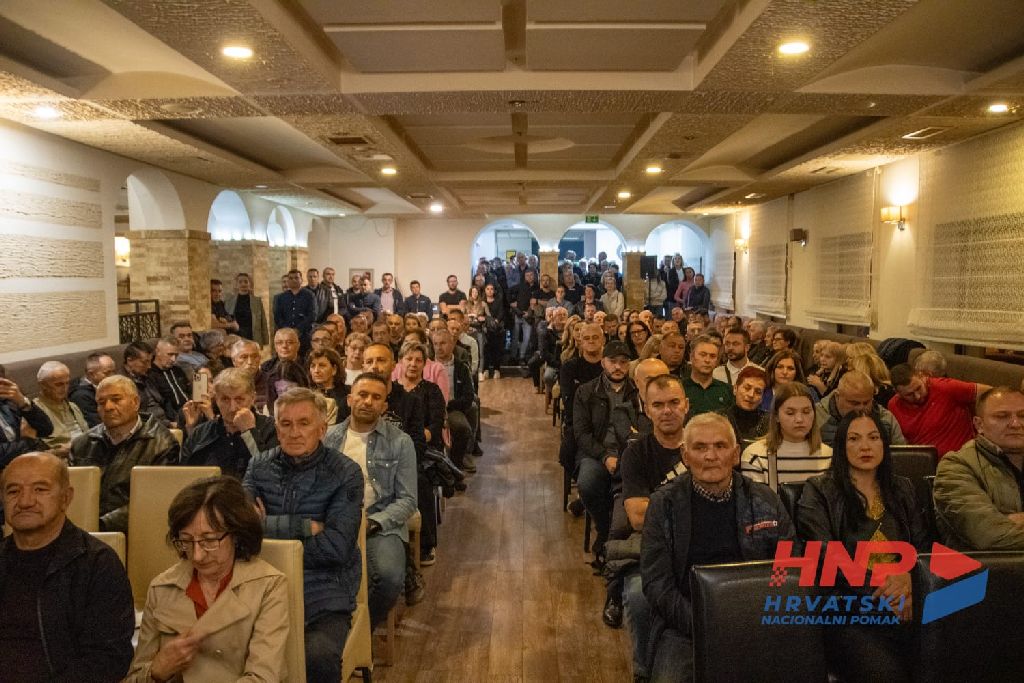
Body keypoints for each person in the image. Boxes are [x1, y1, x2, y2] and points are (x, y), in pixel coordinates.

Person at [642, 413, 795, 682]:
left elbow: (790, 565)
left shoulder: (765, 499)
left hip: (757, 621)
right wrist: (701, 624)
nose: (710, 456)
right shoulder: (663, 504)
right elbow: (657, 583)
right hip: (686, 624)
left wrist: (763, 616)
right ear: (685, 456)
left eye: (720, 446)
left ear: (735, 455)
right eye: (700, 447)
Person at [797, 411, 927, 682]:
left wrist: (911, 581)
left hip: (909, 601)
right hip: (850, 609)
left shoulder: (903, 488)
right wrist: (885, 592)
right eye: (854, 439)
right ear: (841, 447)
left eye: (873, 437)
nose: (865, 446)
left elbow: (923, 548)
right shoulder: (818, 490)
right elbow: (826, 557)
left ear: (884, 444)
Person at [243, 388, 363, 681]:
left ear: (321, 429)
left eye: (304, 423)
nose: (294, 433)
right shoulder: (259, 466)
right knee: (225, 645)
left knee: (317, 656)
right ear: (276, 429)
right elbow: (242, 533)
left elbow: (336, 548)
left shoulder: (345, 473)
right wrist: (304, 527)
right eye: (286, 424)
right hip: (260, 586)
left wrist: (266, 527)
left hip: (324, 589)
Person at [126, 476, 289, 682]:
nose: (197, 556)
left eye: (209, 540)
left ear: (236, 535)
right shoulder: (162, 587)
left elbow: (263, 678)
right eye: (186, 541)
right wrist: (157, 671)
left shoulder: (268, 585)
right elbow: (134, 676)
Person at [0, 452, 135, 680]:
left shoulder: (97, 564)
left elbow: (108, 659)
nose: (25, 501)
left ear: (66, 497)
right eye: (13, 491)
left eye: (40, 489)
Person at [323, 373, 418, 625]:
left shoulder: (400, 442)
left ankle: (361, 632)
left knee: (389, 577)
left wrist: (372, 523)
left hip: (379, 523)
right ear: (350, 399)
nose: (368, 402)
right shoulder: (328, 438)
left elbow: (408, 500)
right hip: (333, 520)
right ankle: (333, 626)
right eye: (362, 395)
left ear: (384, 406)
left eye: (376, 397)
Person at [615, 374, 688, 679]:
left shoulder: (703, 445)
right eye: (658, 405)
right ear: (646, 409)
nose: (667, 411)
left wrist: (658, 507)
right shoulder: (636, 453)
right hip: (656, 550)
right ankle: (644, 669)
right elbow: (637, 517)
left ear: (686, 405)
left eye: (674, 403)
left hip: (701, 548)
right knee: (638, 595)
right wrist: (689, 510)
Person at [70, 375, 180, 532]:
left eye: (116, 399)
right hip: (83, 528)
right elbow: (72, 493)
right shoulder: (82, 444)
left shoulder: (161, 444)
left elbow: (151, 500)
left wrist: (99, 526)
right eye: (101, 402)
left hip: (132, 531)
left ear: (135, 402)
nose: (108, 407)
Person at [573, 340, 642, 560]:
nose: (618, 367)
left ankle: (624, 535)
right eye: (613, 361)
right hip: (597, 452)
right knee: (588, 482)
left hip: (631, 454)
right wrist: (604, 456)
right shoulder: (586, 391)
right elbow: (581, 434)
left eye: (623, 362)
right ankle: (604, 529)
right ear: (603, 362)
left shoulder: (637, 392)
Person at [934, 387, 1024, 550]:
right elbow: (988, 535)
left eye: (1022, 415)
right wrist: (999, 525)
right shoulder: (956, 466)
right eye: (1002, 416)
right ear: (979, 424)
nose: (1016, 424)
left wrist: (1008, 520)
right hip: (988, 566)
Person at [182, 369, 278, 478]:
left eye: (239, 399)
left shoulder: (271, 429)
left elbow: (270, 475)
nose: (232, 408)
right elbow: (183, 476)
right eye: (225, 399)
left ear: (252, 398)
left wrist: (249, 433)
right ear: (216, 400)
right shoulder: (201, 433)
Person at [742, 382, 832, 491]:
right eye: (790, 413)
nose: (799, 419)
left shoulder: (828, 455)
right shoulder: (756, 455)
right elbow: (757, 500)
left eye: (806, 412)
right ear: (776, 416)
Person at [888, 364, 989, 459]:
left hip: (960, 458)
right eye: (909, 395)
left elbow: (990, 393)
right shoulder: (893, 406)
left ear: (922, 377)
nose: (917, 396)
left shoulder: (944, 387)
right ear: (898, 393)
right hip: (922, 462)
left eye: (919, 388)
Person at [816, 371, 906, 447]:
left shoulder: (886, 419)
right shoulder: (816, 416)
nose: (861, 408)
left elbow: (901, 456)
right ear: (837, 397)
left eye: (866, 402)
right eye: (854, 403)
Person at [430, 329, 478, 472]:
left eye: (443, 343)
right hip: (430, 409)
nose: (439, 347)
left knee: (462, 427)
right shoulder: (427, 366)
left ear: (452, 344)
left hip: (452, 408)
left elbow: (468, 396)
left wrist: (448, 406)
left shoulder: (461, 367)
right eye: (435, 344)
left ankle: (457, 463)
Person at [33, 361, 88, 458]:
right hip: (60, 461)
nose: (65, 388)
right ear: (42, 385)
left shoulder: (73, 406)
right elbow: (32, 454)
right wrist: (58, 451)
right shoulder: (34, 411)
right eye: (59, 384)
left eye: (67, 383)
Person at [683, 335, 733, 417]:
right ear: (691, 357)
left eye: (712, 356)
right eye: (703, 355)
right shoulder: (680, 389)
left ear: (717, 361)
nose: (707, 360)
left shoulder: (727, 390)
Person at [146, 337, 192, 423]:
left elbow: (189, 390)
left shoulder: (178, 370)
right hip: (174, 417)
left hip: (191, 409)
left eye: (176, 355)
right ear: (157, 352)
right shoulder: (150, 374)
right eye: (170, 354)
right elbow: (158, 403)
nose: (173, 359)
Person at [722, 366, 770, 444]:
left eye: (758, 392)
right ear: (735, 389)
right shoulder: (721, 419)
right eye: (747, 388)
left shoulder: (769, 422)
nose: (751, 395)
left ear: (762, 397)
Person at [68, 352, 117, 428]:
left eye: (113, 371)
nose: (112, 376)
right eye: (107, 373)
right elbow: (97, 425)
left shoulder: (106, 385)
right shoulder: (81, 396)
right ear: (91, 374)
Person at [273, 270, 317, 350]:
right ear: (288, 281)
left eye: (296, 278)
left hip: (304, 334)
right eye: (291, 278)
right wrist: (287, 330)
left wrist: (298, 329)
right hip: (285, 336)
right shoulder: (281, 297)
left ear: (301, 280)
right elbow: (277, 316)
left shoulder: (309, 295)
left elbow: (312, 315)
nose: (293, 280)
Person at [224, 272, 270, 345]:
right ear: (236, 284)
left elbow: (263, 321)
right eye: (240, 282)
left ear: (249, 284)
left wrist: (265, 340)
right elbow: (225, 319)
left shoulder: (257, 301)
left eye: (246, 281)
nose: (243, 284)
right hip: (235, 336)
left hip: (252, 335)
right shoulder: (229, 301)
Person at [309, 348, 349, 425]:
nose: (316, 370)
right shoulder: (306, 395)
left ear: (334, 369)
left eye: (322, 366)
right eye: (313, 366)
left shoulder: (348, 393)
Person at [482, 283, 505, 378]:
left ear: (494, 291)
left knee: (496, 349)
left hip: (496, 328)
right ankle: (486, 369)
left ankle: (497, 369)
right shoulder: (482, 302)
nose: (490, 291)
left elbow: (501, 313)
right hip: (485, 328)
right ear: (485, 290)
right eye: (488, 289)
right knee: (485, 349)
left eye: (492, 289)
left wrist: (495, 321)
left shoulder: (498, 301)